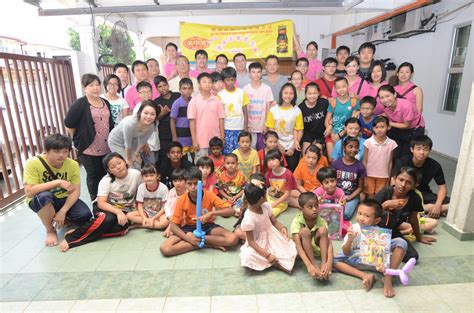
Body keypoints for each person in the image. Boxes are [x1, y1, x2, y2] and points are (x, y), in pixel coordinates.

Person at [59, 152, 142, 252]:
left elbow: (141, 192)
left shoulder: (136, 174)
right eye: (113, 166)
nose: (118, 167)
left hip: (125, 209)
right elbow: (101, 203)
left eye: (119, 163)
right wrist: (118, 212)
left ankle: (84, 230)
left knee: (121, 228)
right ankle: (71, 239)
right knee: (107, 219)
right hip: (105, 207)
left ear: (124, 162)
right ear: (109, 171)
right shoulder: (106, 181)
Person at [23, 134, 92, 247]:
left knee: (85, 216)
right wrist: (57, 182)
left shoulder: (73, 164)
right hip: (41, 199)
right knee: (44, 197)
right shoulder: (32, 163)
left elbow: (76, 192)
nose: (62, 155)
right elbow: (29, 192)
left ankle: (62, 218)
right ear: (46, 151)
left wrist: (63, 211)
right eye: (56, 151)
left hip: (64, 198)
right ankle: (50, 230)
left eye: (65, 151)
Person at [333, 200, 406, 297]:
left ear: (376, 220)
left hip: (375, 264)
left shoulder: (379, 233)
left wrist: (382, 264)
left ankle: (388, 278)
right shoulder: (354, 229)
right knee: (331, 261)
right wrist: (350, 240)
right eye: (359, 214)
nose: (361, 218)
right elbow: (346, 253)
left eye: (367, 216)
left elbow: (379, 257)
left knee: (401, 242)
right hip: (357, 261)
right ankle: (365, 276)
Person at [160, 167, 238, 256]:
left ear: (201, 182)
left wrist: (212, 213)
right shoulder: (182, 200)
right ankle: (205, 244)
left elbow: (231, 211)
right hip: (189, 227)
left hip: (207, 226)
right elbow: (174, 226)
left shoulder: (209, 195)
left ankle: (200, 241)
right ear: (185, 184)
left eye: (196, 183)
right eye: (189, 184)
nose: (193, 187)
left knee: (233, 239)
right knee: (165, 249)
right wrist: (189, 239)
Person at [65, 74, 114, 201]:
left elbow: (110, 123)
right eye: (91, 85)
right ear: (84, 87)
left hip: (106, 146)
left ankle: (106, 199)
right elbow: (69, 123)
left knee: (106, 174)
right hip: (88, 147)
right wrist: (77, 141)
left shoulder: (105, 102)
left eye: (97, 85)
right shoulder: (80, 104)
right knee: (93, 175)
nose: (95, 88)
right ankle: (95, 201)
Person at [375, 166, 437, 262]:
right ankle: (382, 247)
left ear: (414, 185)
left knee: (412, 256)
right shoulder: (386, 192)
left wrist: (419, 237)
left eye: (409, 182)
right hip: (374, 230)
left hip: (392, 233)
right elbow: (369, 213)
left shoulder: (414, 198)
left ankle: (386, 250)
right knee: (388, 215)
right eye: (401, 180)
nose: (403, 185)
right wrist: (386, 204)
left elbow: (413, 219)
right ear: (395, 179)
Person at [240, 176, 297, 273]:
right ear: (262, 198)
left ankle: (273, 261)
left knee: (289, 248)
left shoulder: (266, 206)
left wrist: (282, 227)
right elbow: (251, 242)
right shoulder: (249, 218)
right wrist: (267, 255)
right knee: (248, 255)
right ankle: (274, 261)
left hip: (272, 235)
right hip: (258, 242)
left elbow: (274, 221)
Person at [392, 135, 449, 218]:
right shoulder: (402, 161)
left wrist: (437, 205)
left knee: (453, 203)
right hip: (405, 191)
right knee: (400, 201)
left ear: (429, 151)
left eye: (425, 149)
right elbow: (393, 181)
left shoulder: (435, 165)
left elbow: (442, 187)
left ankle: (428, 208)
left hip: (423, 193)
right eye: (418, 149)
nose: (422, 152)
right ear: (412, 149)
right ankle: (427, 208)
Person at [291, 192, 333, 280]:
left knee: (323, 230)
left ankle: (323, 264)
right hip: (301, 252)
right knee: (305, 231)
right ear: (301, 209)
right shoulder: (296, 222)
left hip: (316, 248)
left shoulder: (321, 220)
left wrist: (328, 263)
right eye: (310, 207)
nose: (314, 209)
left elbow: (329, 243)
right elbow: (298, 246)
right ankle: (314, 264)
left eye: (316, 206)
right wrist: (309, 265)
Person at [378, 85, 425, 159]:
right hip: (398, 126)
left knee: (407, 155)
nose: (385, 100)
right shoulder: (384, 106)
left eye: (388, 96)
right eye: (382, 98)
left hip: (413, 128)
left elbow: (407, 125)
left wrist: (389, 123)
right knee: (393, 153)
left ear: (395, 94)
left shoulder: (405, 105)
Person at [108, 100, 159, 168]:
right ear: (140, 112)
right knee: (128, 165)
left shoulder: (152, 125)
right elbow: (127, 145)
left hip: (133, 140)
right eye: (146, 113)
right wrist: (128, 160)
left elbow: (143, 140)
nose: (149, 117)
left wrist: (136, 153)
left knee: (137, 164)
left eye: (152, 114)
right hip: (116, 142)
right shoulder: (129, 123)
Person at [265, 83, 304, 171]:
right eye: (285, 93)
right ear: (281, 94)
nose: (288, 96)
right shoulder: (274, 109)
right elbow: (271, 130)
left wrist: (293, 148)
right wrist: (278, 145)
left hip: (292, 146)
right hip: (276, 145)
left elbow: (299, 130)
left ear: (294, 95)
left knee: (291, 172)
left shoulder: (297, 110)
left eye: (291, 93)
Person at [188, 72, 225, 159]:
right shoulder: (194, 101)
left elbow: (221, 119)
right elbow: (192, 122)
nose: (207, 84)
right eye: (204, 82)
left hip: (216, 141)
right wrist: (194, 140)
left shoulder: (217, 100)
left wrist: (222, 138)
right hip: (201, 142)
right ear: (199, 84)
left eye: (209, 82)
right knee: (202, 167)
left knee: (216, 167)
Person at [331, 137, 366, 221]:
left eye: (356, 147)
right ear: (344, 148)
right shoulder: (336, 164)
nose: (354, 149)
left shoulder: (360, 166)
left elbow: (360, 188)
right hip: (336, 193)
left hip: (351, 196)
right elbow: (331, 181)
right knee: (327, 210)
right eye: (350, 146)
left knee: (345, 214)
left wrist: (347, 199)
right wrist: (335, 195)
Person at [324, 77, 360, 157]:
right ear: (335, 89)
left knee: (346, 158)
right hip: (333, 134)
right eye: (338, 88)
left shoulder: (354, 102)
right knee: (332, 160)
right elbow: (327, 121)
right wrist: (332, 133)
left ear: (348, 86)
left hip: (348, 136)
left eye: (343, 86)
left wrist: (341, 134)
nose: (341, 89)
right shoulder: (333, 102)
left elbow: (354, 123)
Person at [363, 116, 397, 199]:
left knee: (379, 196)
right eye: (376, 127)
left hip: (383, 175)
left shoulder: (392, 143)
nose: (379, 129)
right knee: (370, 195)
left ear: (388, 127)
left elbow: (390, 161)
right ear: (373, 128)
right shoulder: (368, 142)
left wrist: (389, 177)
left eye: (382, 127)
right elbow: (364, 160)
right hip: (370, 174)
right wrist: (365, 175)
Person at [243, 62, 274, 150]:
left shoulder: (267, 89)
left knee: (262, 151)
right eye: (253, 72)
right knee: (250, 151)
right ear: (249, 74)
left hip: (262, 127)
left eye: (258, 72)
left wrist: (266, 124)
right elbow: (244, 110)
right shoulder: (245, 89)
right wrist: (246, 126)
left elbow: (268, 108)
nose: (256, 74)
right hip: (250, 127)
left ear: (261, 73)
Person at [127, 163, 169, 230]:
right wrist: (144, 218)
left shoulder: (163, 188)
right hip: (146, 212)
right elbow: (140, 205)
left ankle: (141, 225)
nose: (149, 178)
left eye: (152, 175)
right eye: (146, 176)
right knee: (129, 215)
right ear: (142, 177)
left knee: (165, 222)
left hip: (159, 213)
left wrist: (154, 218)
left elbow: (165, 207)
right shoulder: (141, 187)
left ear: (158, 176)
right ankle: (152, 224)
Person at [218, 67, 250, 154]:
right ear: (223, 81)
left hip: (240, 129)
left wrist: (245, 130)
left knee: (240, 154)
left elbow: (245, 113)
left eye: (232, 79)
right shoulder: (220, 95)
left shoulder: (241, 92)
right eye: (227, 80)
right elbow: (220, 116)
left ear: (235, 80)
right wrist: (222, 135)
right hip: (227, 129)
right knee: (228, 155)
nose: (230, 82)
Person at [131, 82, 161, 166]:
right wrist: (144, 144)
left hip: (155, 143)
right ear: (138, 94)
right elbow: (137, 128)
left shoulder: (153, 106)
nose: (146, 94)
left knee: (154, 165)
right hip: (146, 145)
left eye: (148, 91)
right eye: (143, 92)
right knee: (150, 167)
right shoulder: (139, 108)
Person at [154, 75, 181, 163]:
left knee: (180, 156)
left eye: (164, 85)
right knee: (165, 158)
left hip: (179, 132)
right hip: (164, 135)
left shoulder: (178, 96)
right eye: (160, 87)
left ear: (168, 85)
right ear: (157, 89)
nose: (163, 88)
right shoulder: (156, 101)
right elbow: (154, 120)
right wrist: (162, 113)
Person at [264, 149, 297, 217]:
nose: (271, 162)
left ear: (281, 159)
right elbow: (265, 188)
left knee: (270, 214)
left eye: (273, 159)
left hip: (281, 202)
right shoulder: (268, 173)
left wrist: (274, 204)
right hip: (269, 197)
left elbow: (287, 194)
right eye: (269, 160)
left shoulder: (288, 174)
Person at [299, 82, 329, 154]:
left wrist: (330, 126)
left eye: (315, 93)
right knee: (306, 155)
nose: (312, 96)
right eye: (309, 94)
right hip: (307, 135)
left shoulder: (324, 103)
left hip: (322, 135)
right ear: (305, 95)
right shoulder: (301, 108)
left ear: (319, 93)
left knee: (317, 154)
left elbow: (332, 115)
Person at [170, 78, 194, 163]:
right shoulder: (177, 103)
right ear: (180, 90)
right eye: (184, 88)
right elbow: (172, 121)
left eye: (189, 88)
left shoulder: (194, 102)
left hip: (192, 137)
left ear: (192, 89)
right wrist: (174, 137)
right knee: (183, 160)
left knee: (194, 159)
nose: (187, 91)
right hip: (180, 138)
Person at [163, 168, 187, 237]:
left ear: (186, 181)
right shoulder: (171, 191)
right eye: (175, 181)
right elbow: (167, 205)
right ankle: (172, 227)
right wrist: (168, 215)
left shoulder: (188, 192)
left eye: (180, 180)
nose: (177, 183)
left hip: (184, 216)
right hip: (172, 216)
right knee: (162, 223)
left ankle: (171, 228)